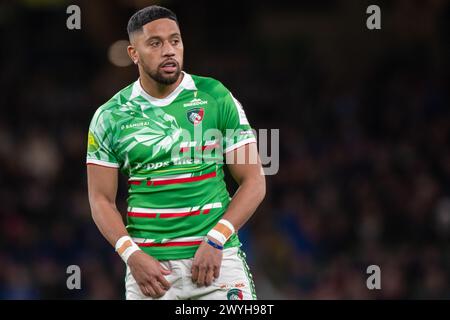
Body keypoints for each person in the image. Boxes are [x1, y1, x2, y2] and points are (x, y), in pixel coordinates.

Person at [86, 5, 265, 300]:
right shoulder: (110, 116)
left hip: (217, 264)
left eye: (175, 40)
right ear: (133, 53)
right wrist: (131, 255)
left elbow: (254, 180)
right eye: (155, 43)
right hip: (151, 273)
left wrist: (217, 239)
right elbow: (100, 199)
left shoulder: (216, 97)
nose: (169, 50)